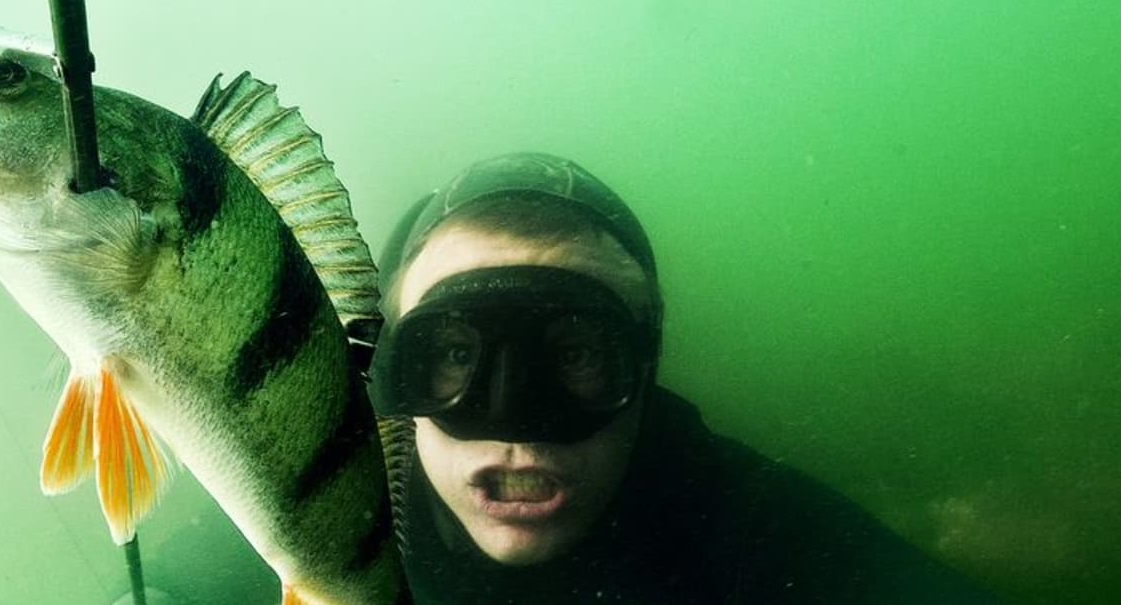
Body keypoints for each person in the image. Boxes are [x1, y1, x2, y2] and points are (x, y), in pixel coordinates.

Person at [364, 153, 1000, 604]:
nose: (519, 421)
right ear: (392, 365)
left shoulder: (760, 534)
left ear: (645, 364)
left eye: (578, 353)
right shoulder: (315, 523)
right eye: (452, 354)